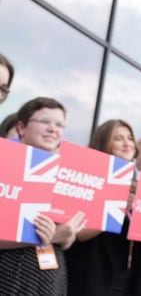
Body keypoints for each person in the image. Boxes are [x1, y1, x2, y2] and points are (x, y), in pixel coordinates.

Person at [0, 97, 87, 295]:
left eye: (59, 124)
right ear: (21, 127)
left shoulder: (65, 176)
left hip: (49, 278)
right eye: (44, 121)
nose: (52, 129)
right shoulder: (4, 164)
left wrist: (66, 236)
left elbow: (64, 238)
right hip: (10, 274)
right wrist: (50, 236)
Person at [67, 119, 141, 295]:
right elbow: (79, 234)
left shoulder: (137, 183)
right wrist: (118, 209)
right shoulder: (87, 176)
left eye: (130, 138)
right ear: (103, 142)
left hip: (124, 277)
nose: (127, 143)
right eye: (118, 138)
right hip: (91, 273)